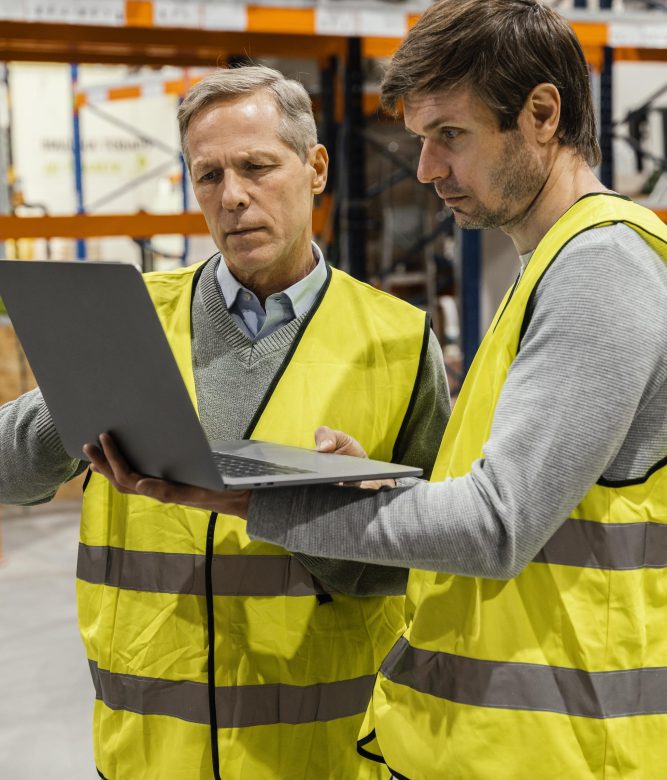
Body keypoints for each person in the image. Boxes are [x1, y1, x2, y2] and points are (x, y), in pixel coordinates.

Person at [89, 2, 667, 778]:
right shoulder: (551, 267)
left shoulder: (599, 269)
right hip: (525, 743)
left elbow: (496, 527)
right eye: (421, 139)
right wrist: (366, 487)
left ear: (540, 114)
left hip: (577, 749)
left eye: (449, 134)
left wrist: (254, 498)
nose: (425, 168)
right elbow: (497, 498)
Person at [0, 66, 450, 779]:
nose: (232, 196)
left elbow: (440, 564)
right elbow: (8, 473)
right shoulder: (132, 319)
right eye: (208, 175)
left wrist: (351, 513)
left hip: (320, 756)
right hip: (150, 756)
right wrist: (79, 396)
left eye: (256, 167)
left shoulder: (397, 341)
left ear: (315, 169)